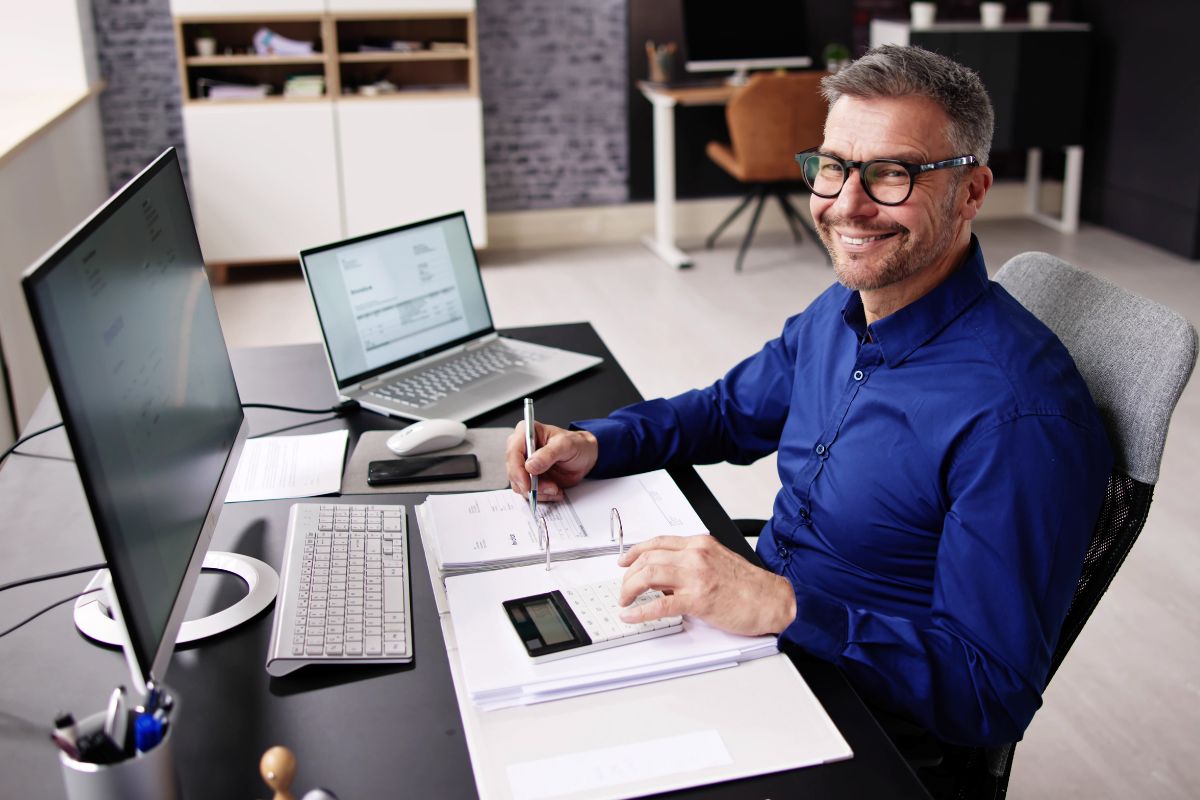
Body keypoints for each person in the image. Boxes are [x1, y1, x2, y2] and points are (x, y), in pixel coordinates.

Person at [505, 45, 1111, 762]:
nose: (846, 204)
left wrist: (782, 606)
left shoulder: (1019, 419)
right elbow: (727, 411)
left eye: (893, 174)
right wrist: (598, 443)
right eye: (833, 167)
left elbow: (988, 692)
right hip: (754, 641)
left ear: (971, 191)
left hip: (858, 723)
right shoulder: (844, 309)